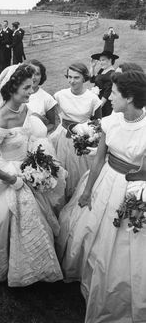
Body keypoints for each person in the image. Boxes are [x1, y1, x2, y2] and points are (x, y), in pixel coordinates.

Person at [57, 70, 146, 323]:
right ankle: (87, 275)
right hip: (105, 180)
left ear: (129, 98)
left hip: (134, 189)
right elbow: (98, 160)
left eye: (115, 93)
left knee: (123, 244)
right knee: (90, 230)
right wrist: (86, 191)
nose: (110, 97)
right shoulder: (110, 120)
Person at [0, 64, 63, 286]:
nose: (32, 91)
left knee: (37, 219)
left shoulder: (24, 109)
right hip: (7, 175)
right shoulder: (2, 118)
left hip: (28, 170)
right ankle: (6, 264)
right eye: (27, 87)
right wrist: (11, 179)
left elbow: (29, 138)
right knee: (2, 222)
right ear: (12, 89)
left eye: (32, 86)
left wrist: (37, 165)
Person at [51, 63, 102, 199]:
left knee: (79, 174)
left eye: (76, 78)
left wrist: (87, 135)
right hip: (62, 137)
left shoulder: (92, 99)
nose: (71, 81)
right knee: (61, 169)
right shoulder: (59, 95)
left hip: (82, 139)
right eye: (69, 77)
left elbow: (98, 123)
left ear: (84, 78)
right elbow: (51, 117)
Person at [27, 59, 59, 134]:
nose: (33, 77)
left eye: (37, 74)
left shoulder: (47, 98)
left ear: (42, 76)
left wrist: (39, 131)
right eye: (30, 73)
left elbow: (52, 124)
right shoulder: (16, 94)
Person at [90, 50, 119, 117]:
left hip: (104, 104)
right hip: (97, 100)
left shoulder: (111, 74)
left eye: (103, 60)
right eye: (100, 60)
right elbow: (93, 80)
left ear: (110, 60)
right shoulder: (102, 70)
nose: (100, 63)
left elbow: (107, 93)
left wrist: (98, 108)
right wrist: (92, 67)